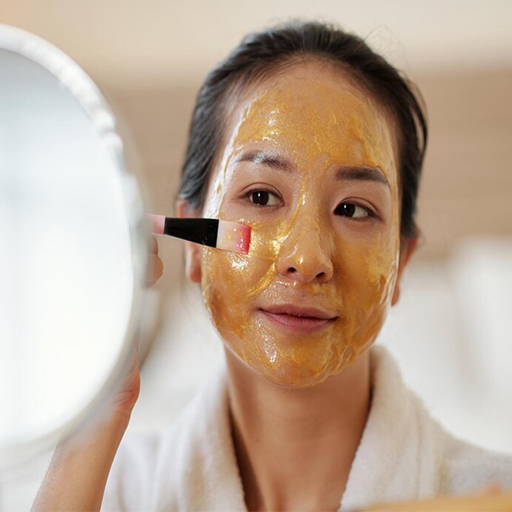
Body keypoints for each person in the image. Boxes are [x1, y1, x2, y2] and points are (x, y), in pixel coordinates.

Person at [32, 21, 512, 512]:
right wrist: (97, 406)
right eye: (261, 195)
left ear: (400, 262)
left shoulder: (490, 495)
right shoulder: (111, 493)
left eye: (353, 209)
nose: (306, 260)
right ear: (193, 244)